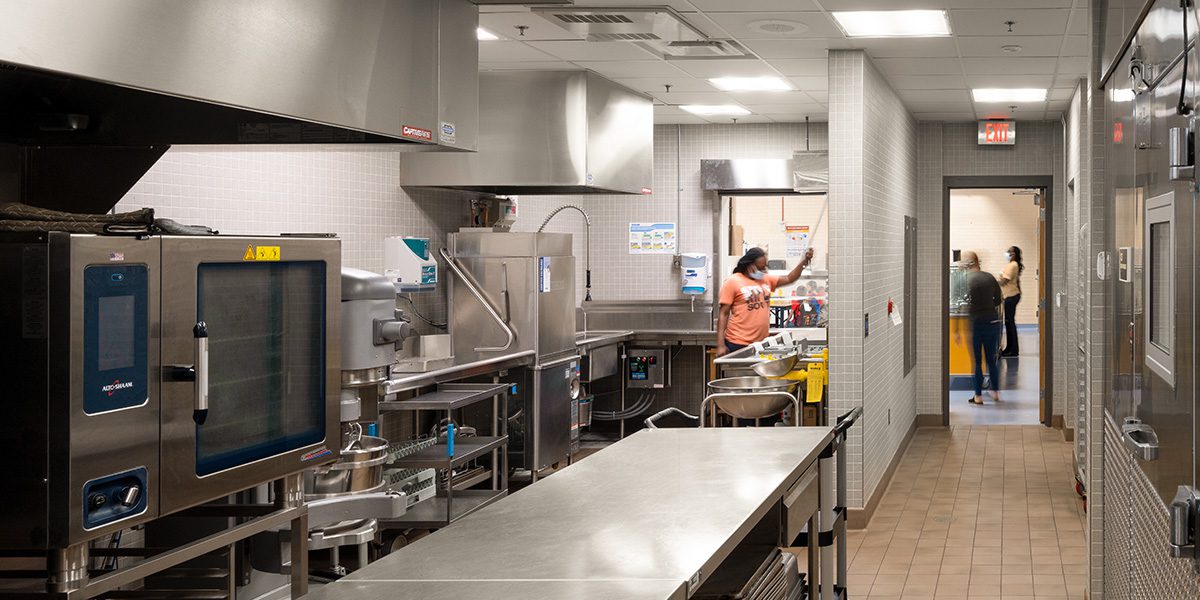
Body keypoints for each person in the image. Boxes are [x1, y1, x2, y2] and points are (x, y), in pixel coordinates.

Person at [716, 246, 815, 356]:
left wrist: (804, 262)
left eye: (764, 268)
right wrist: (720, 345)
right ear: (749, 265)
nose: (763, 271)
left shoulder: (765, 279)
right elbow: (723, 314)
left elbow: (789, 278)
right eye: (760, 268)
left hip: (761, 344)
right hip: (738, 342)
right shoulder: (732, 281)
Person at [958, 251, 1003, 404]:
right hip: (992, 321)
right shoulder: (989, 277)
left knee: (977, 361)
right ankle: (995, 392)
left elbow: (962, 304)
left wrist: (958, 330)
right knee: (991, 360)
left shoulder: (966, 280)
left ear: (968, 263)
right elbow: (998, 300)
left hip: (976, 322)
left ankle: (978, 396)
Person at [997, 246, 1024, 357]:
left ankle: (1013, 350)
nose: (1007, 253)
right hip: (1012, 295)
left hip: (1011, 296)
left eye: (1009, 252)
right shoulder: (1012, 265)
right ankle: (1010, 348)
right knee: (1009, 323)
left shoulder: (1013, 265)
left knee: (1010, 323)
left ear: (1014, 254)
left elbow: (1004, 281)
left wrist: (993, 281)